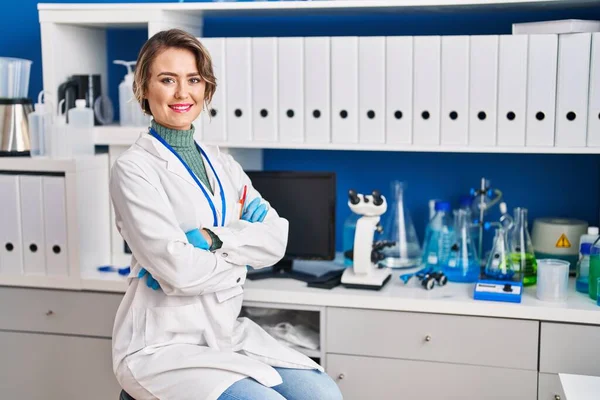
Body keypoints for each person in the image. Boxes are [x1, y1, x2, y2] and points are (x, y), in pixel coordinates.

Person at [109, 29, 343, 400]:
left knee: (324, 395)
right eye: (167, 80)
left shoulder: (223, 165)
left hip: (224, 333)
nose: (182, 93)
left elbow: (276, 238)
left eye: (194, 80)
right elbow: (179, 272)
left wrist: (213, 239)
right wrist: (242, 262)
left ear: (206, 89)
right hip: (160, 348)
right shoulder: (133, 169)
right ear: (143, 90)